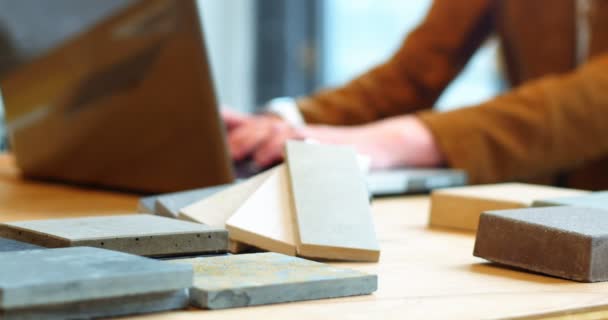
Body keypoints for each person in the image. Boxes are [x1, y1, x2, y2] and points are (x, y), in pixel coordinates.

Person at [224, 0, 608, 190]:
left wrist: (398, 141)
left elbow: (594, 98)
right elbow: (415, 72)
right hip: (546, 212)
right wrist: (282, 124)